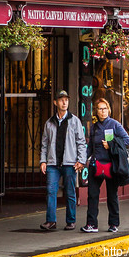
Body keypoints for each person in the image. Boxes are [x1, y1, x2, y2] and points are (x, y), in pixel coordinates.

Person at [81, 98, 129, 234]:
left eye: (104, 108)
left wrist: (111, 144)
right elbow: (90, 146)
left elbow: (127, 140)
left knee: (112, 196)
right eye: (99, 109)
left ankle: (114, 224)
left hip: (111, 165)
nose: (102, 111)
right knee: (92, 195)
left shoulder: (115, 124)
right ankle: (91, 224)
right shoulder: (94, 127)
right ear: (96, 111)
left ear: (108, 110)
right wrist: (82, 160)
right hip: (96, 165)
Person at [39, 90, 87, 232]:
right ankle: (51, 221)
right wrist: (43, 161)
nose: (64, 102)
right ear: (55, 103)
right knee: (51, 191)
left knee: (70, 192)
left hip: (69, 163)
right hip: (53, 163)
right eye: (61, 100)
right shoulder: (49, 123)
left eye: (66, 99)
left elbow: (81, 142)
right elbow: (44, 144)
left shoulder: (75, 121)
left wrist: (81, 160)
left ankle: (71, 221)